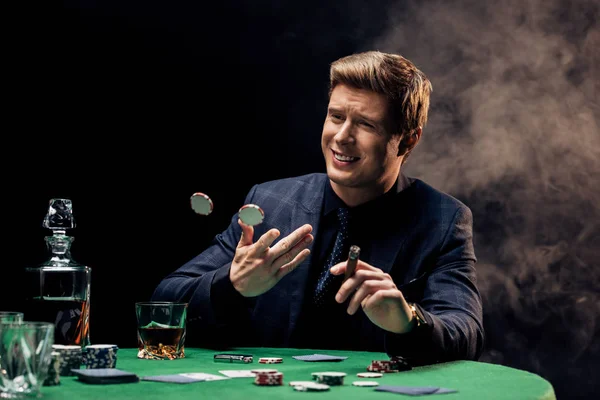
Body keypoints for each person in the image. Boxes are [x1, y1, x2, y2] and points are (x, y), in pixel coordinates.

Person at [151, 50, 484, 365]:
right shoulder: (268, 202)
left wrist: (407, 320)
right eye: (336, 117)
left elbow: (465, 333)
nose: (341, 137)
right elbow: (163, 303)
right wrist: (231, 285)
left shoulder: (443, 220)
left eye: (366, 125)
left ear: (408, 139)